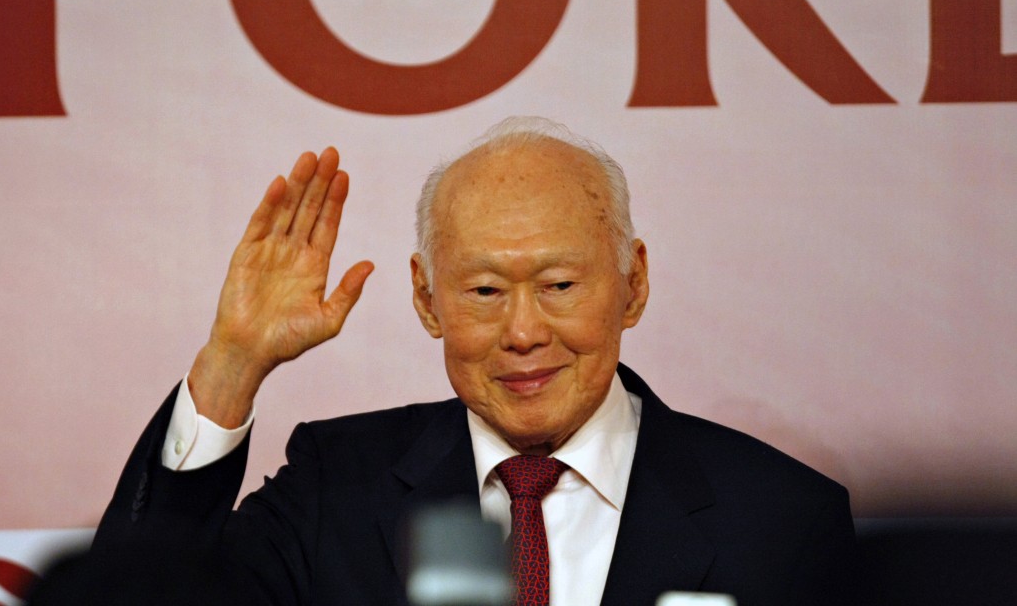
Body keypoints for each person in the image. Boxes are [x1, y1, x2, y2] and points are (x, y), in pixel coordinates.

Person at [92, 117, 856, 606]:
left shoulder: (781, 518)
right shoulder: (337, 488)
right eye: (485, 290)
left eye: (558, 285)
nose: (522, 332)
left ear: (635, 284)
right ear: (427, 300)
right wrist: (232, 365)